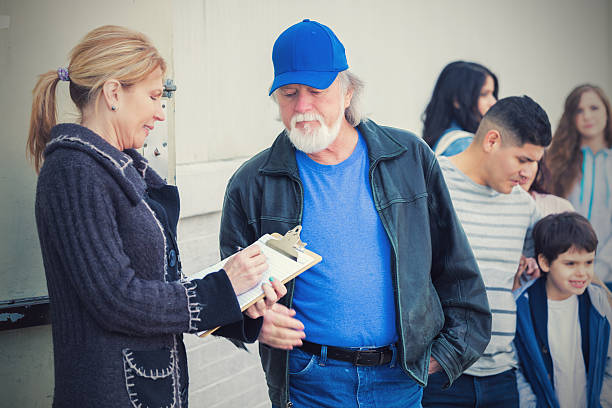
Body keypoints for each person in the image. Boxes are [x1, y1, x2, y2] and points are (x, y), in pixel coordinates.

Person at [219, 19, 491, 408]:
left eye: (316, 90)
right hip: (310, 382)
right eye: (289, 93)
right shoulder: (253, 182)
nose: (302, 107)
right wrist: (255, 323)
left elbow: (456, 269)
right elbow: (224, 293)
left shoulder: (408, 158)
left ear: (348, 93)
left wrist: (441, 357)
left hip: (401, 378)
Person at [27, 25, 285, 407]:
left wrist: (239, 301)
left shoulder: (119, 168)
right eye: (153, 96)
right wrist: (219, 289)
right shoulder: (74, 173)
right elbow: (116, 299)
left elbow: (158, 287)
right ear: (114, 93)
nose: (160, 114)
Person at [422, 96, 552, 407]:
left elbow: (553, 263)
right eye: (522, 159)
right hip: (440, 377)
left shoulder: (524, 205)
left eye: (535, 162)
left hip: (502, 377)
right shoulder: (430, 181)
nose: (529, 173)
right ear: (492, 140)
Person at [514, 212, 612, 407]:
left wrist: (603, 402)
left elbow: (609, 362)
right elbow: (517, 371)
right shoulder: (523, 308)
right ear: (544, 262)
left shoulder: (598, 303)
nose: (582, 273)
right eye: (570, 263)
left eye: (588, 262)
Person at [545, 84, 612, 291]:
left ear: (606, 111)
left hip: (608, 273)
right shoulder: (556, 162)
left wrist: (599, 268)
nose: (587, 116)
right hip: (565, 274)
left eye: (594, 108)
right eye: (579, 110)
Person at [422, 60, 498, 156]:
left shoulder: (443, 139)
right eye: (483, 94)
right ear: (457, 100)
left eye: (492, 94)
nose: (493, 102)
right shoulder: (464, 145)